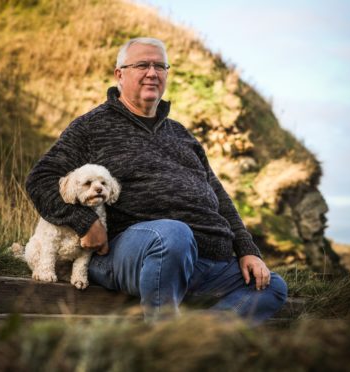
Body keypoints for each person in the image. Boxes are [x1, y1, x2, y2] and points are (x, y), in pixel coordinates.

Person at [26, 37, 288, 324]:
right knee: (173, 234)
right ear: (119, 74)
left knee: (272, 286)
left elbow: (220, 198)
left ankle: (193, 340)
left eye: (160, 66)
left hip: (209, 263)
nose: (153, 73)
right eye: (142, 65)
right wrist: (84, 223)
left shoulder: (182, 135)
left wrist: (248, 250)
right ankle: (164, 332)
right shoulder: (91, 127)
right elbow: (41, 179)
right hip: (131, 254)